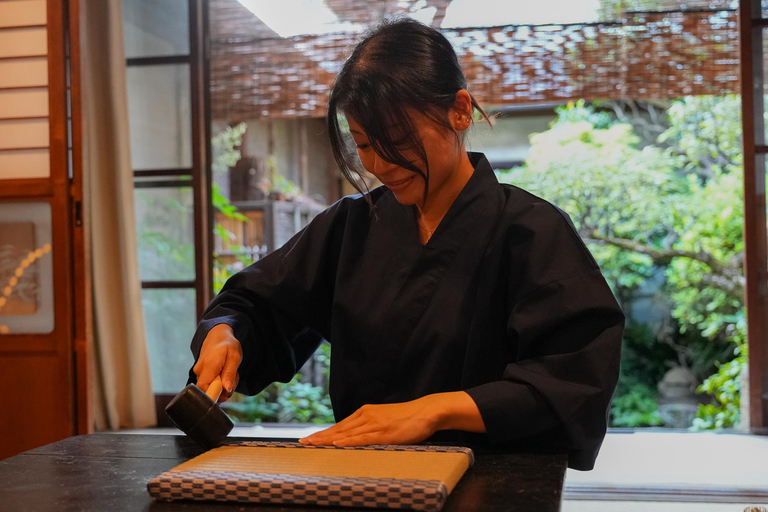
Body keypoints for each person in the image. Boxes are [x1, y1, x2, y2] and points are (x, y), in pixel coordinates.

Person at [189, 17, 624, 471]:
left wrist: (436, 411)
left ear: (459, 111)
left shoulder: (533, 232)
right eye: (363, 145)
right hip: (363, 479)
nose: (380, 164)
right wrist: (227, 334)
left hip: (491, 482)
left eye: (397, 141)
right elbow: (256, 304)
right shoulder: (351, 225)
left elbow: (574, 379)